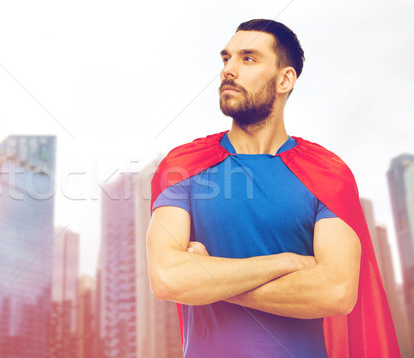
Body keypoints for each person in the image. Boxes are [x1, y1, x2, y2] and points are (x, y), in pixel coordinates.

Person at [146, 19, 400, 357]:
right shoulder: (182, 167)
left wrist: (210, 281)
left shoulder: (328, 174)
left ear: (285, 79)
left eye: (248, 58)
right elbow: (168, 278)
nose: (229, 70)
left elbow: (336, 292)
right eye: (226, 59)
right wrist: (287, 262)